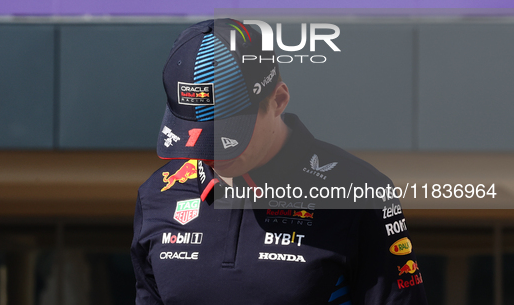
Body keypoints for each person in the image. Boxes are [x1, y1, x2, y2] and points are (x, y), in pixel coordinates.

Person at [131, 19, 428, 304]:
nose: (211, 154)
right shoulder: (157, 194)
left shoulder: (360, 192)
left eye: (228, 134)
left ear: (278, 100)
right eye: (197, 135)